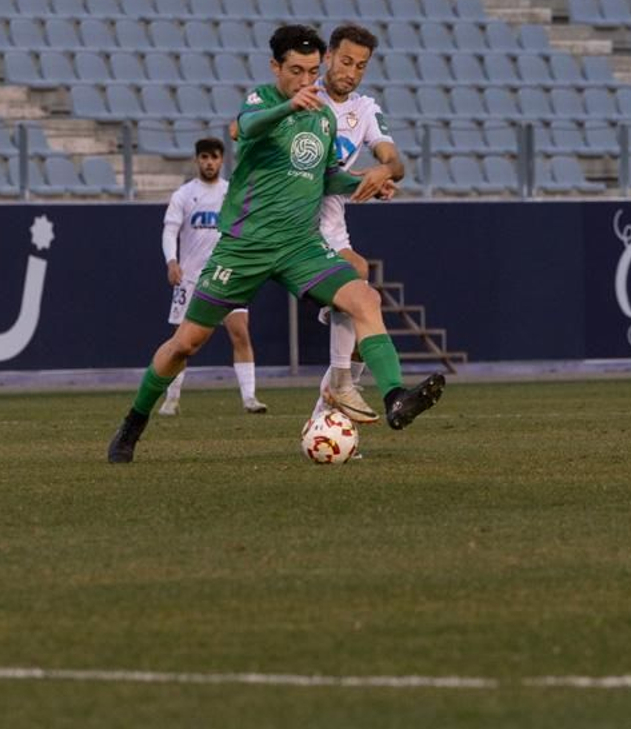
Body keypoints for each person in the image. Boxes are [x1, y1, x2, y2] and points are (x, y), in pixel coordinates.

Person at [107, 24, 444, 464]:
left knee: (364, 297)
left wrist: (365, 183)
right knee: (186, 343)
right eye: (295, 71)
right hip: (244, 247)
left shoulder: (323, 118)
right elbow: (246, 127)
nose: (305, 81)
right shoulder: (263, 101)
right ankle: (134, 421)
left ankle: (395, 395)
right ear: (276, 68)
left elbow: (325, 177)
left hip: (300, 245)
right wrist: (286, 106)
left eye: (310, 72)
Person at [304, 24, 444, 429]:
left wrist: (382, 172)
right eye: (345, 61)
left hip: (328, 225)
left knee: (361, 289)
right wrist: (357, 180)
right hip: (289, 221)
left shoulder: (364, 110)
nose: (351, 72)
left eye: (360, 66)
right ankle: (340, 388)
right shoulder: (305, 101)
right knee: (193, 335)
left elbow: (396, 163)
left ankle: (328, 413)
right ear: (328, 57)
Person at [157, 137, 266, 415]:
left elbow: (246, 228)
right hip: (191, 277)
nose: (209, 163)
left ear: (221, 160)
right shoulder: (184, 195)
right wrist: (171, 261)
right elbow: (170, 230)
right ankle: (172, 398)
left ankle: (249, 398)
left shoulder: (232, 193)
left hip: (227, 275)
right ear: (197, 160)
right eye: (204, 157)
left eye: (214, 157)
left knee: (240, 333)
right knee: (181, 342)